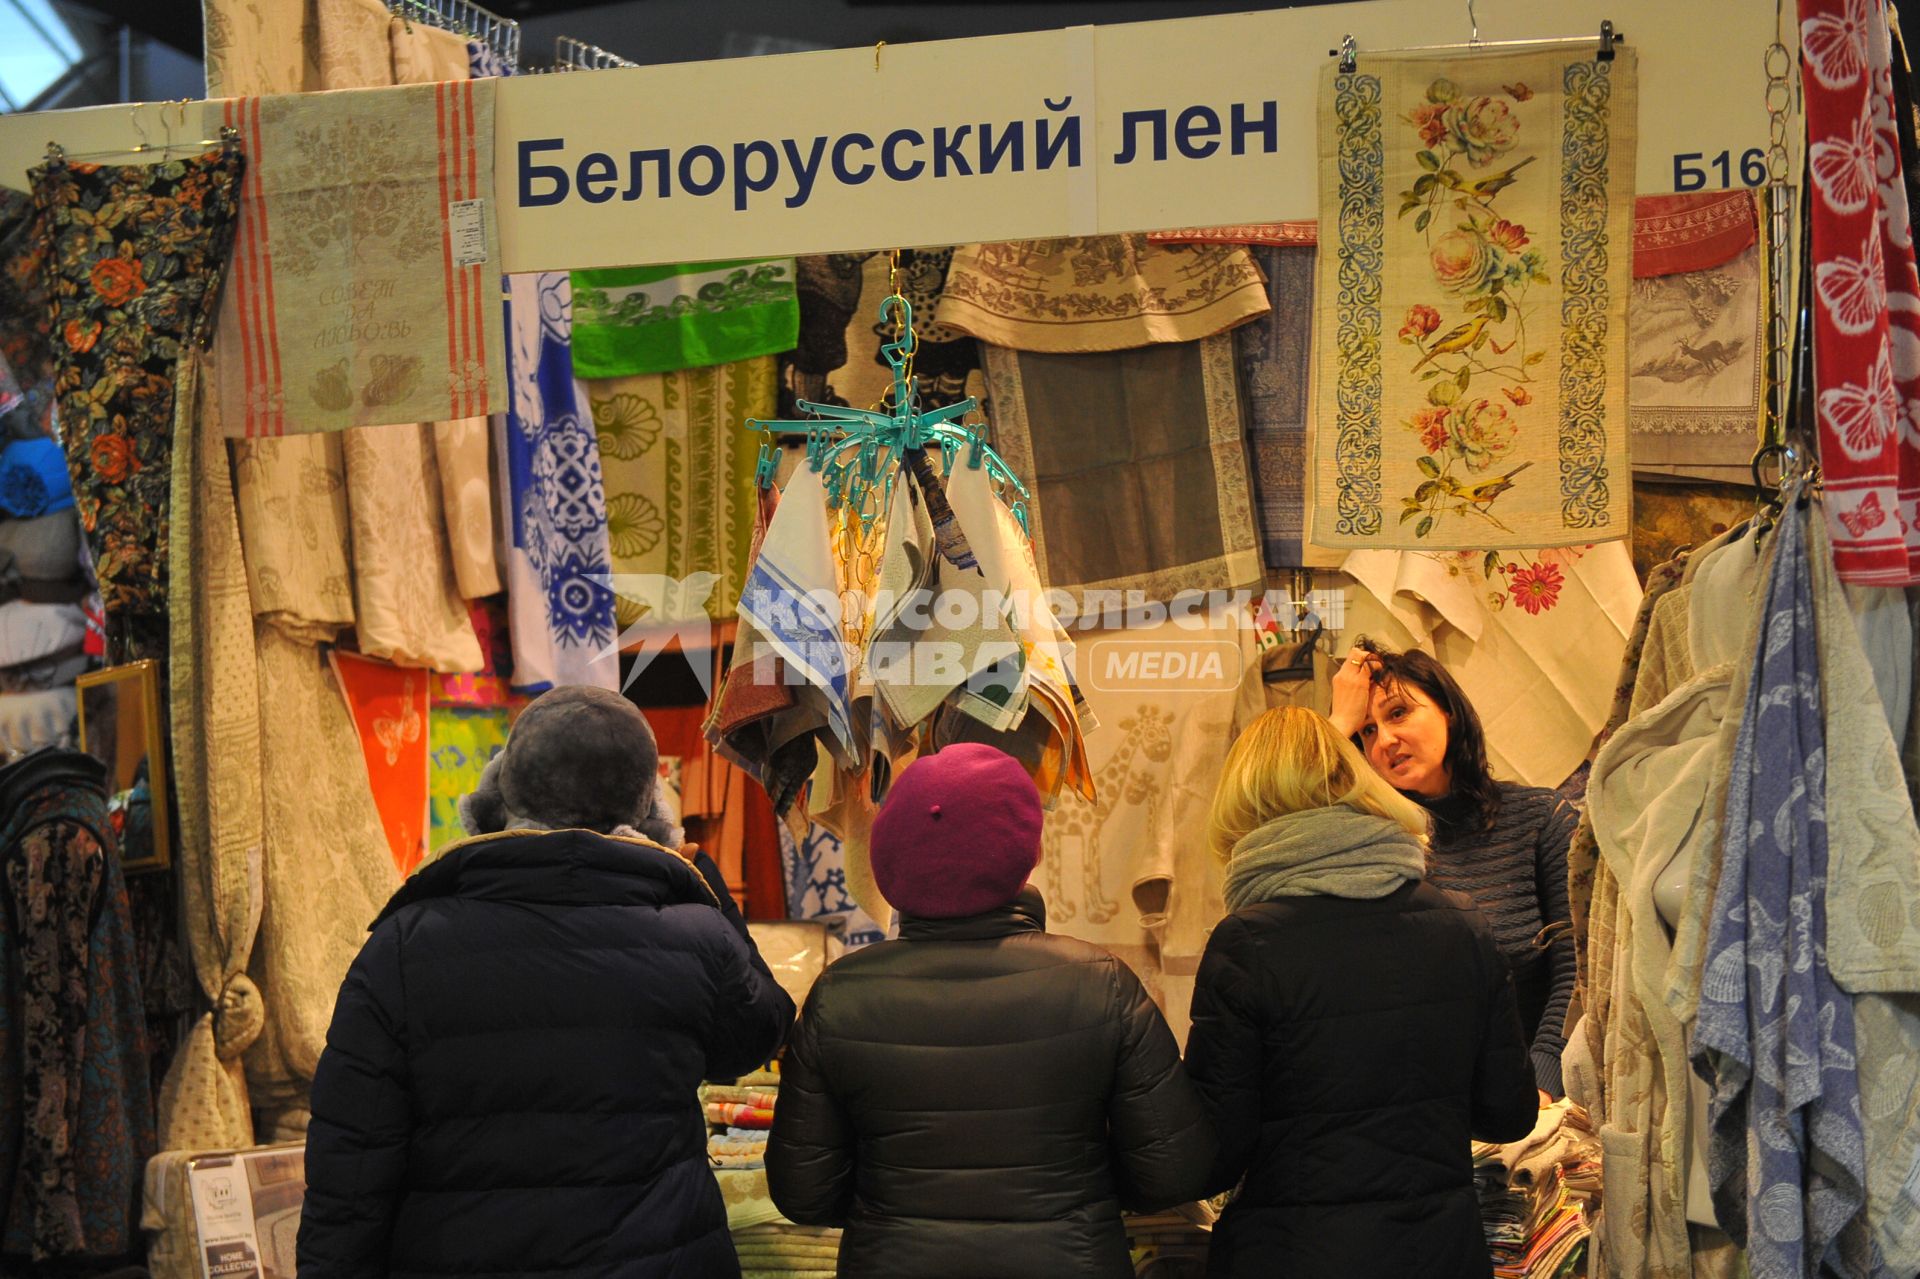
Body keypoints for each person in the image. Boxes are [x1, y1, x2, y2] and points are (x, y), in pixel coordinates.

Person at [297, 686, 795, 1279]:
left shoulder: (404, 945)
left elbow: (349, 1168)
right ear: (650, 809)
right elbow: (760, 1033)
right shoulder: (695, 938)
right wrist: (699, 880)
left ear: (497, 792)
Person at [766, 743, 1214, 1278]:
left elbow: (804, 1193)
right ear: (1028, 849)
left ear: (889, 857)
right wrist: (1084, 1191)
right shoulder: (1103, 985)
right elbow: (1174, 1172)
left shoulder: (839, 995)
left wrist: (887, 1208)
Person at [1185, 707, 1539, 1278]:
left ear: (1242, 809)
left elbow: (1213, 1156)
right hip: (1442, 1254)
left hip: (1291, 1256)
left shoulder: (1248, 944)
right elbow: (1508, 1114)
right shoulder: (1462, 926)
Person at [1328, 640, 1576, 1102]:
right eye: (1365, 732)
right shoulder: (1367, 842)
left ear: (1450, 713)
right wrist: (1337, 725)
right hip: (1409, 1105)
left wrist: (1541, 1082)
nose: (1383, 741)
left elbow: (1579, 970)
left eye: (1398, 713)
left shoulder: (1541, 819)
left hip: (1534, 1102)